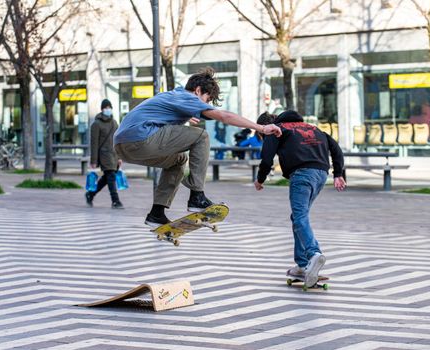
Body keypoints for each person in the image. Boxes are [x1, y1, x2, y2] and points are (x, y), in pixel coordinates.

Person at [114, 67, 282, 227]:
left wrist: (185, 118)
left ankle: (156, 214)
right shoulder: (188, 97)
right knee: (201, 136)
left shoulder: (173, 96)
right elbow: (224, 116)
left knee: (179, 161)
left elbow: (157, 117)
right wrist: (261, 128)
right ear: (198, 90)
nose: (206, 105)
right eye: (207, 100)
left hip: (123, 147)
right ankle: (197, 197)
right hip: (141, 138)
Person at [253, 110, 346, 288]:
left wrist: (260, 179)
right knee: (298, 217)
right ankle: (302, 265)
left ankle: (313, 254)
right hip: (320, 175)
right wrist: (338, 174)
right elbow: (336, 149)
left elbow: (267, 158)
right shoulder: (313, 128)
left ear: (262, 129)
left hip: (302, 174)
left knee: (300, 217)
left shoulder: (275, 130)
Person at [85, 99, 124, 209]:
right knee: (111, 177)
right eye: (106, 108)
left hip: (114, 155)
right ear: (102, 109)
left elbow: (117, 140)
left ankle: (90, 194)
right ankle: (115, 201)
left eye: (109, 107)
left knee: (106, 179)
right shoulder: (96, 124)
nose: (108, 109)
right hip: (104, 155)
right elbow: (94, 143)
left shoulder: (114, 122)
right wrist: (93, 161)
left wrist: (120, 157)